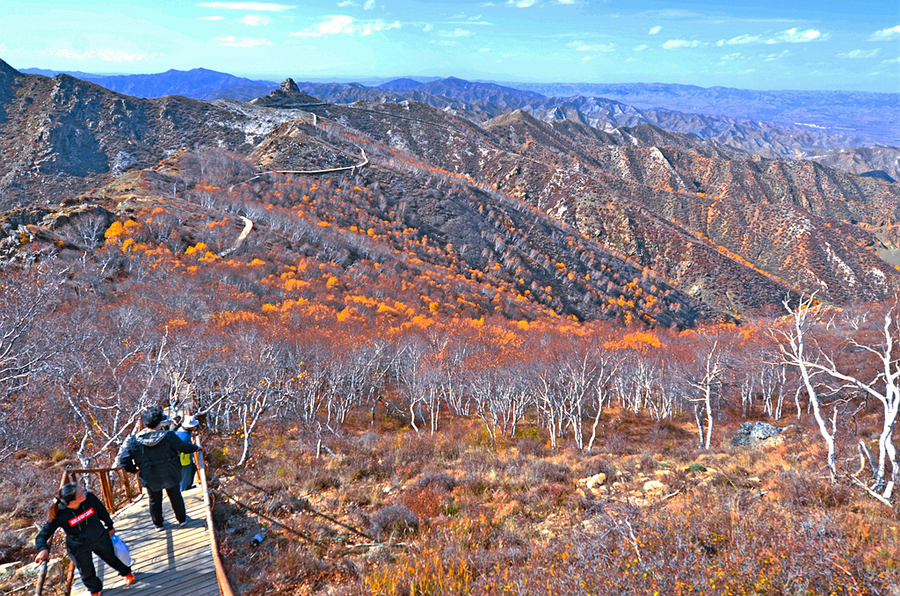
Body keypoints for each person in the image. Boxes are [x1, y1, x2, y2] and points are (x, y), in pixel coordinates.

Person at [34, 482, 135, 596]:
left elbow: (102, 512)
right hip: (78, 545)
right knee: (86, 570)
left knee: (112, 557)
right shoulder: (60, 514)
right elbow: (42, 536)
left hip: (99, 536)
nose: (84, 491)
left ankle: (127, 573)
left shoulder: (90, 498)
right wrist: (43, 549)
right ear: (72, 501)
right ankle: (96, 590)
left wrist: (110, 527)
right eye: (81, 492)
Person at [119, 406, 199, 530]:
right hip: (170, 471)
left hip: (149, 474)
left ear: (144, 423)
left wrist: (134, 469)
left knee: (154, 500)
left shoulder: (135, 440)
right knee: (175, 495)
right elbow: (184, 447)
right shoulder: (168, 436)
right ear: (159, 422)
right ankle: (182, 519)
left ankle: (158, 524)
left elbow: (123, 459)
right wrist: (195, 448)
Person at [175, 415, 199, 491]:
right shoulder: (184, 435)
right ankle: (184, 489)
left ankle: (188, 485)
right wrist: (196, 447)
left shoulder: (181, 430)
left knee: (192, 469)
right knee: (185, 475)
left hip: (184, 458)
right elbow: (184, 447)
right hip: (183, 458)